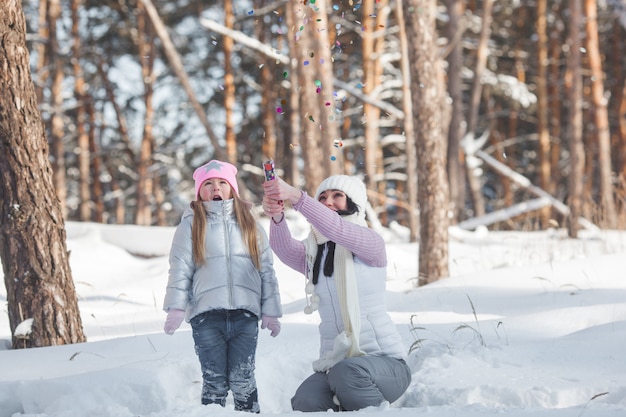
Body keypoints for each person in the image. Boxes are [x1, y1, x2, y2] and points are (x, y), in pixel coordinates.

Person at [262, 174, 411, 412]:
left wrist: (297, 197)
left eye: (337, 196)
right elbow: (284, 249)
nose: (328, 201)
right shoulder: (315, 253)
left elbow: (337, 228)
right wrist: (277, 217)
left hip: (386, 364)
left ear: (354, 203)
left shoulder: (369, 242)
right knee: (305, 400)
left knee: (348, 373)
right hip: (337, 365)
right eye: (322, 198)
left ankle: (377, 405)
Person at [163, 160, 282, 413]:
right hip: (206, 317)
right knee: (215, 382)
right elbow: (180, 268)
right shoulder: (191, 225)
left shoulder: (250, 225)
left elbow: (266, 272)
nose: (215, 188)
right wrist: (175, 307)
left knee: (243, 380)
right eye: (208, 184)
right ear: (199, 192)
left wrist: (270, 310)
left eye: (221, 183)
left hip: (245, 316)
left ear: (232, 190)